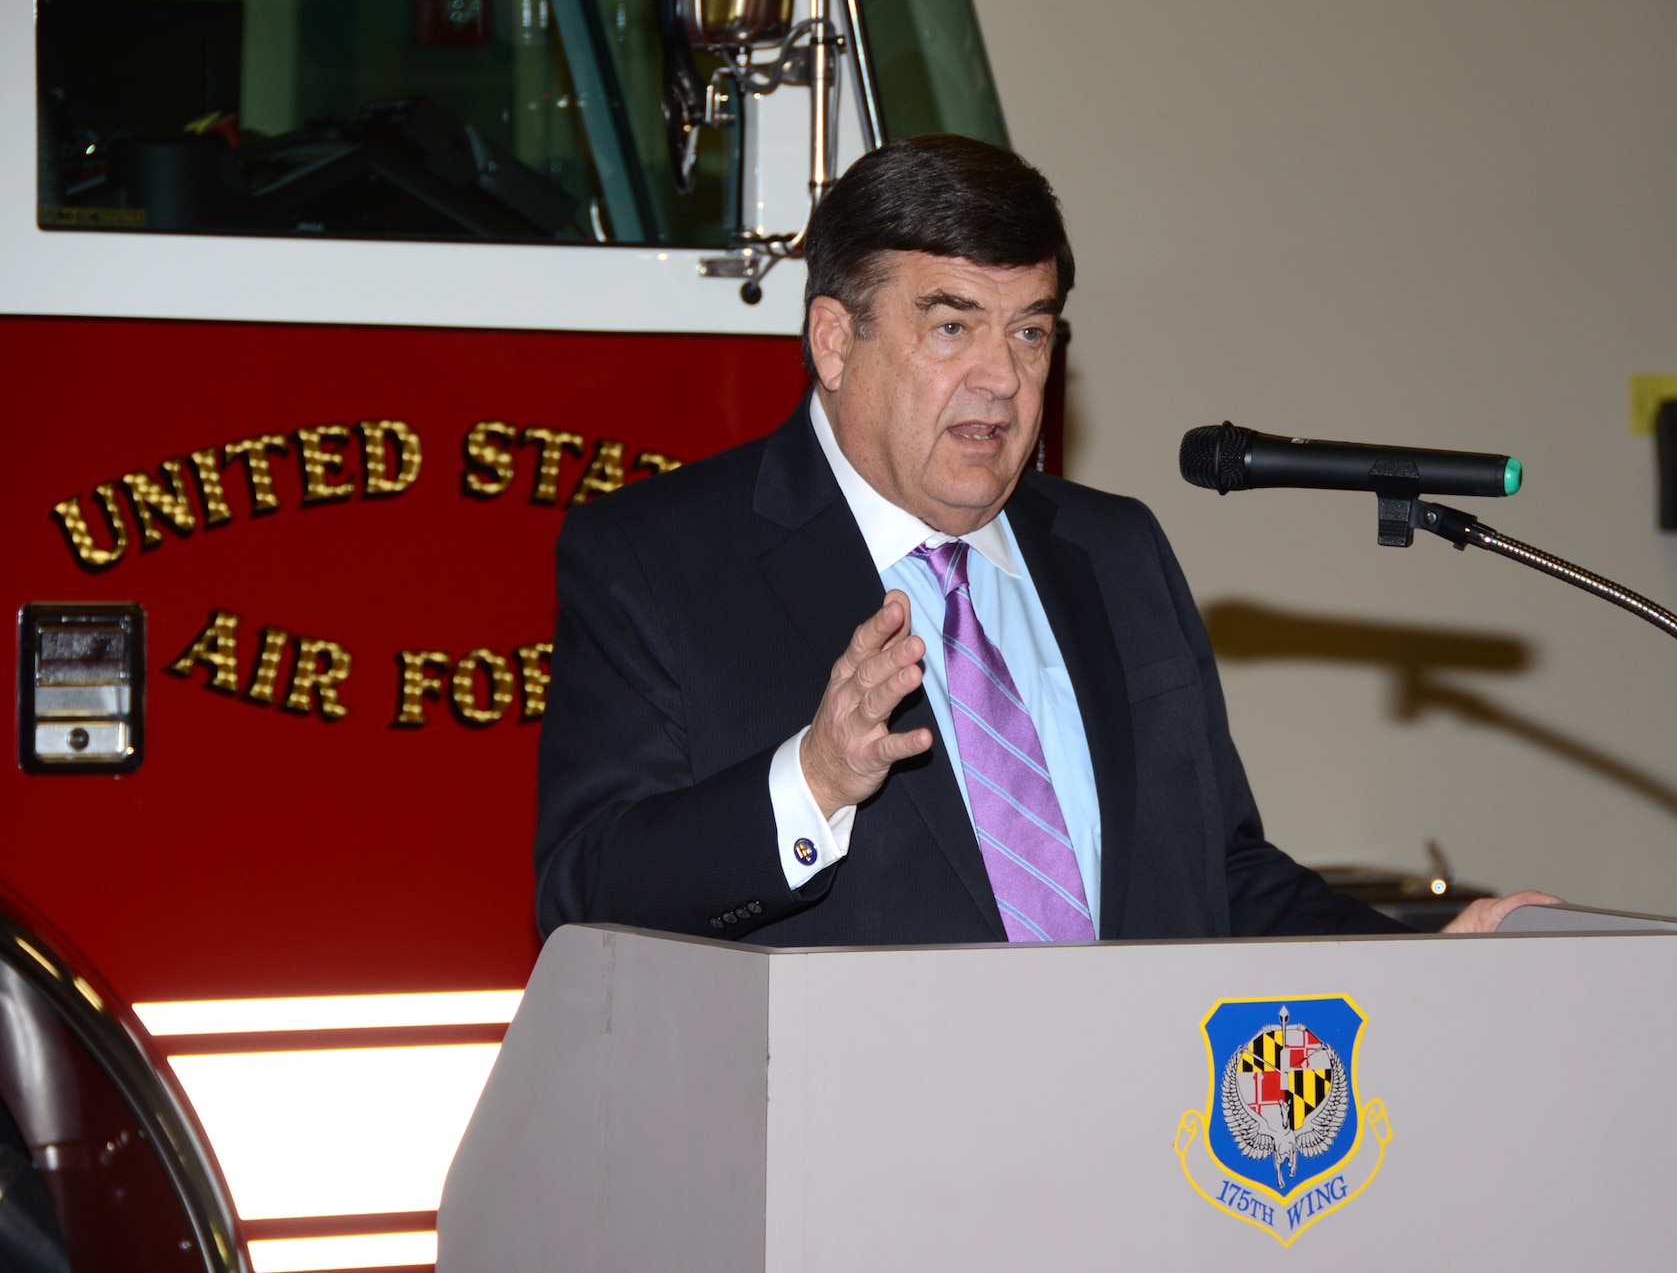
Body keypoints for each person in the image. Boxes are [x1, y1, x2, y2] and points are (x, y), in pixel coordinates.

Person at [533, 134, 1553, 946]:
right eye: (951, 327)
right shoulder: (658, 560)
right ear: (836, 342)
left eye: (1030, 331)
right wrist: (812, 779)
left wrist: (1426, 958)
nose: (1002, 379)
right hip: (842, 1175)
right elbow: (584, 895)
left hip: (1131, 1161)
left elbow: (1214, 876)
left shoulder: (1114, 552)